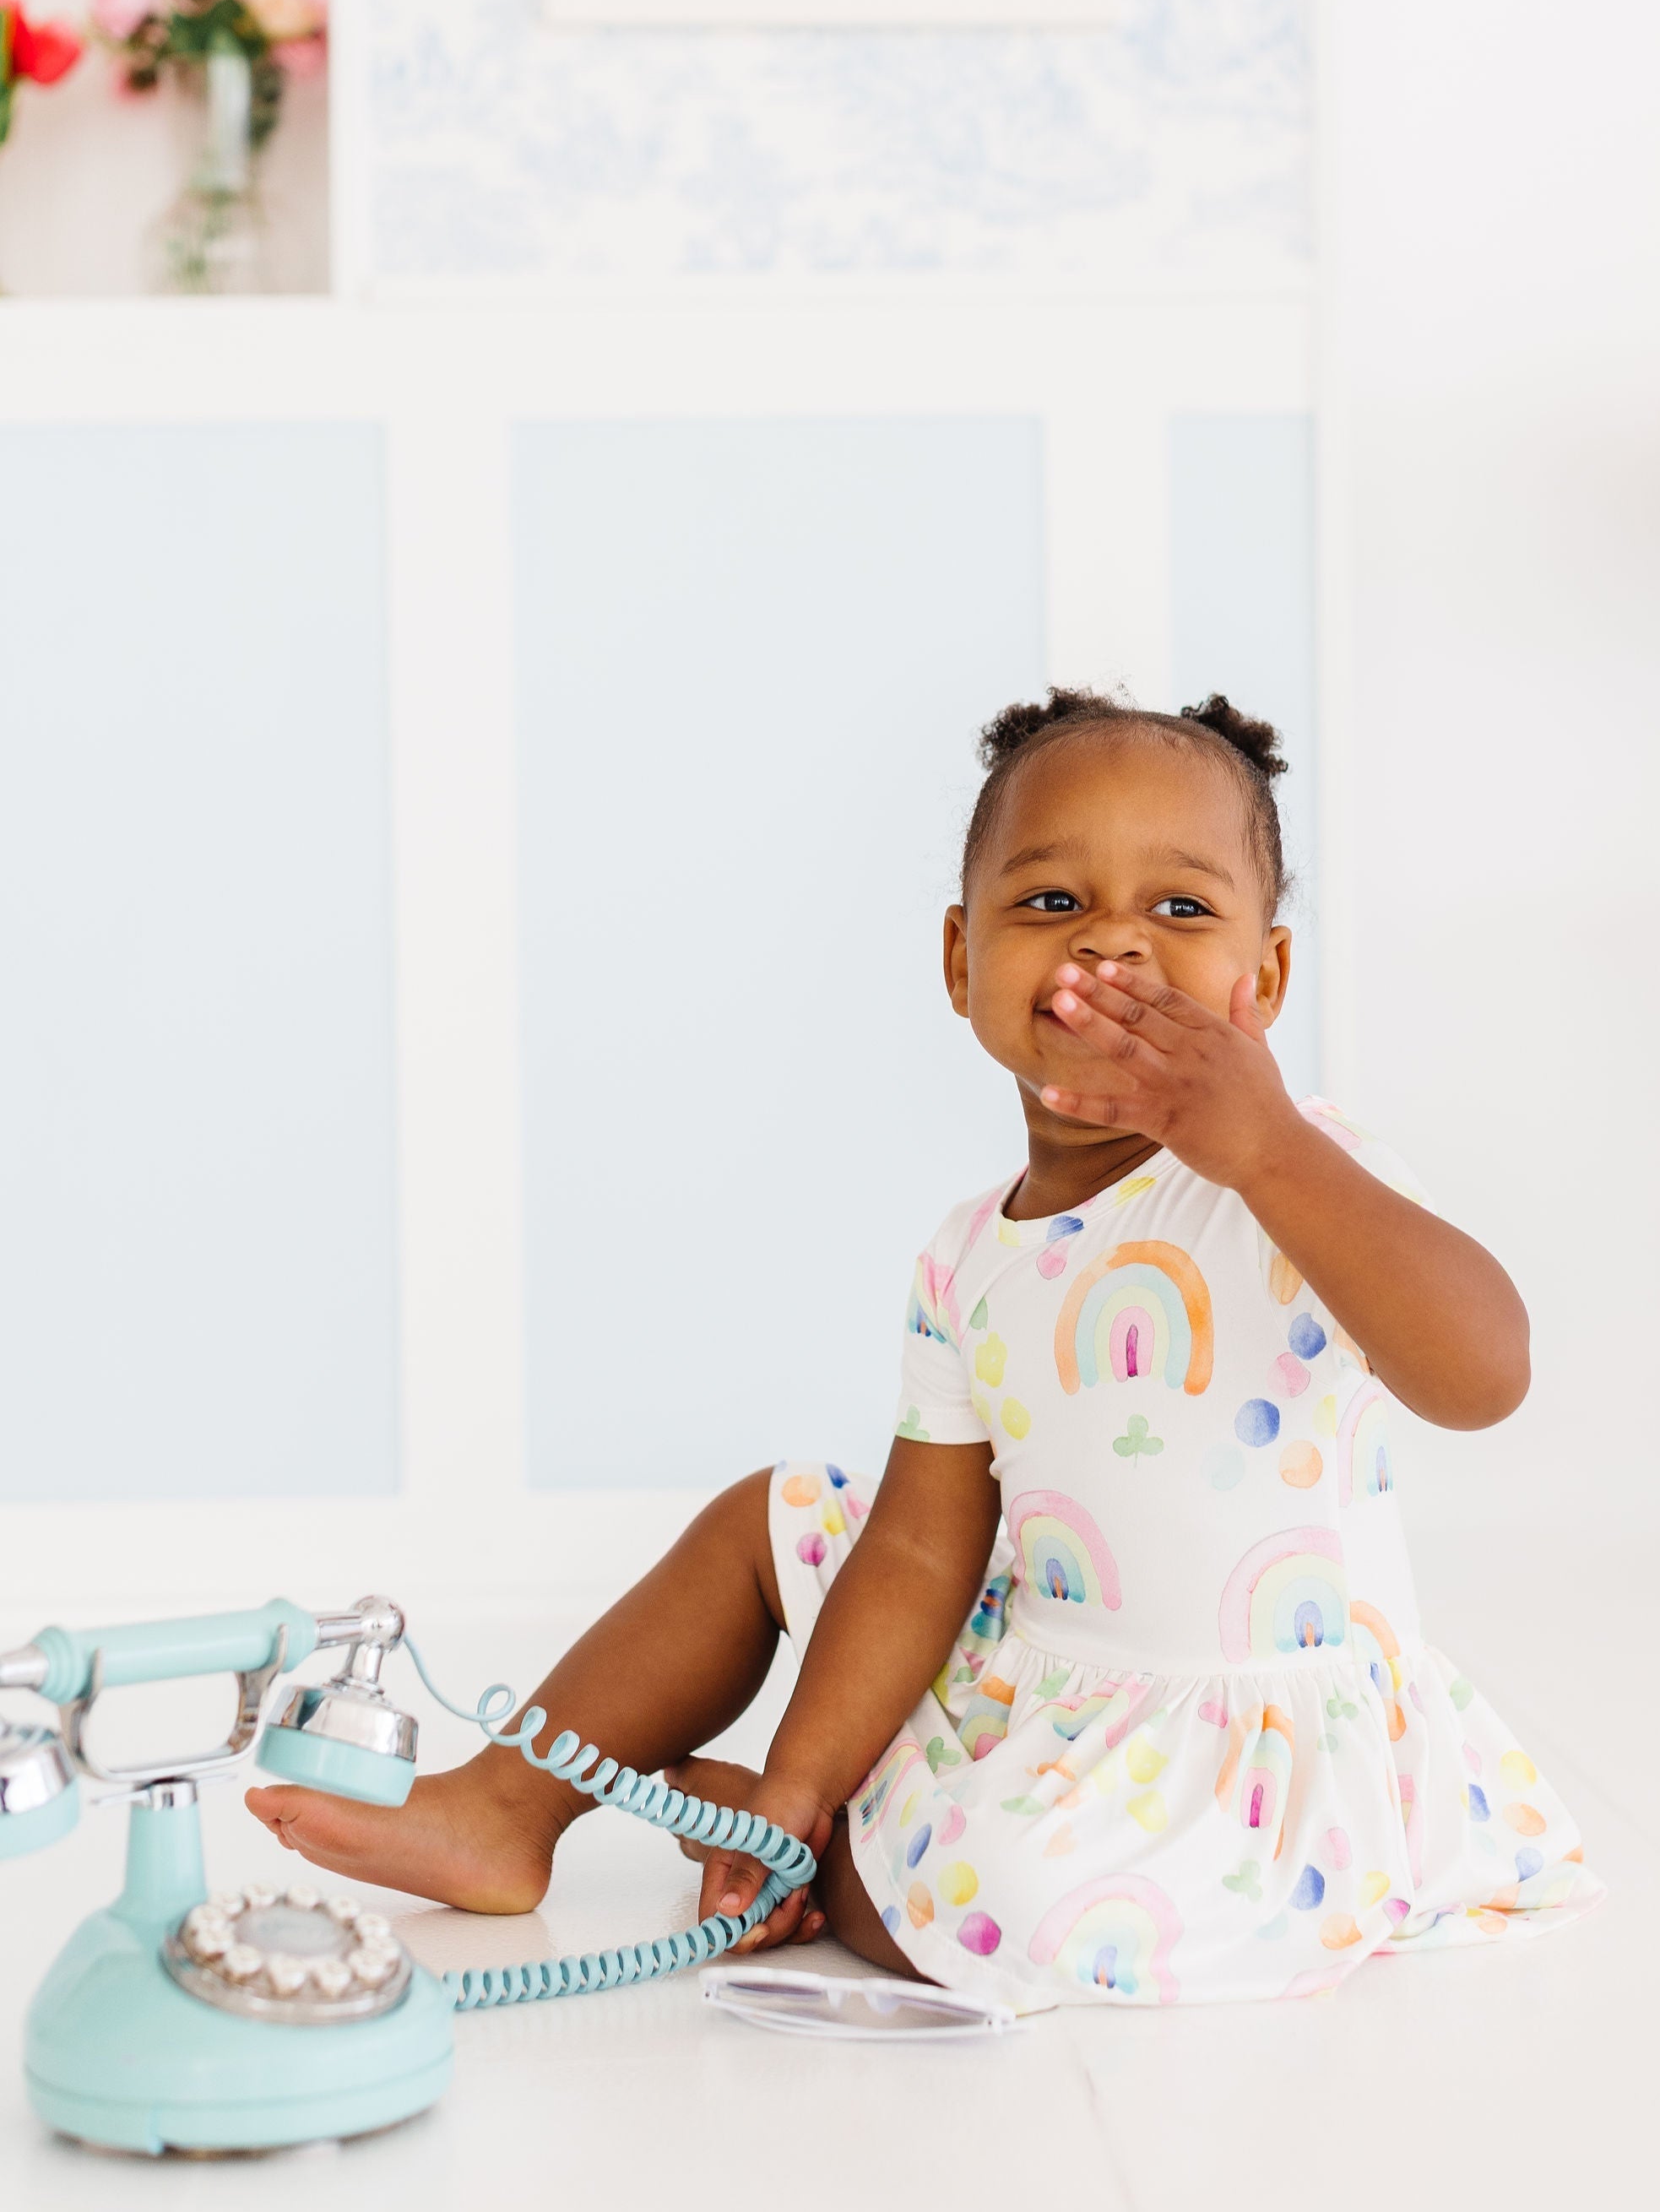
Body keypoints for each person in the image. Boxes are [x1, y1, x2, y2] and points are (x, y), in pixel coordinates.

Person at [249, 687, 1600, 2006]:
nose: (1111, 944)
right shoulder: (966, 1254)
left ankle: (825, 1860)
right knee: (772, 1517)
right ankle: (509, 1808)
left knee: (1000, 1895)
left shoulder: (1295, 1178)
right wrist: (796, 1775)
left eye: (1181, 910)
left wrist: (1267, 1149)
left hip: (1238, 1743)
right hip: (1046, 1653)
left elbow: (1481, 1377)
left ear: (1268, 978)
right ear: (961, 960)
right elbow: (915, 1552)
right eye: (1051, 901)